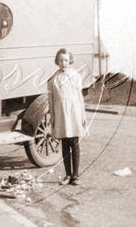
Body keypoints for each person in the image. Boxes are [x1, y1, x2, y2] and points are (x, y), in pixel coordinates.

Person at [47, 48, 88, 186]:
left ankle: (75, 176)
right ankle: (67, 175)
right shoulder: (53, 78)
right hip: (60, 112)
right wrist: (52, 118)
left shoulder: (75, 75)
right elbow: (50, 100)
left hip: (74, 110)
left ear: (70, 60)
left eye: (66, 60)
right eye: (60, 60)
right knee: (64, 143)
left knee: (74, 142)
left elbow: (79, 97)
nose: (63, 63)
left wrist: (83, 115)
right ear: (57, 61)